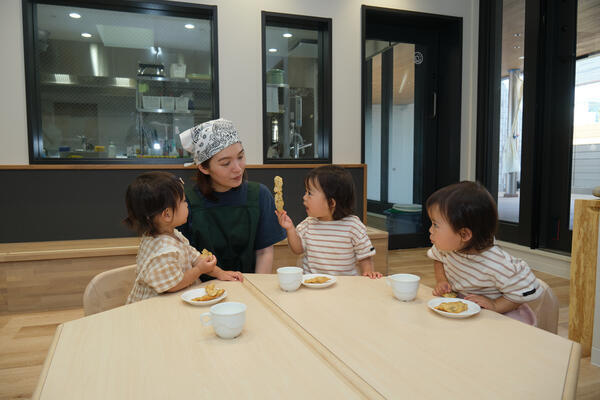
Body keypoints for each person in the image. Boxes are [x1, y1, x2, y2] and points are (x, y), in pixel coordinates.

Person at [178, 118, 286, 274]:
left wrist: (256, 291)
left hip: (250, 285)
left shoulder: (260, 195)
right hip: (202, 291)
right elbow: (185, 261)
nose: (237, 169)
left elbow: (264, 252)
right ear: (203, 167)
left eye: (240, 157)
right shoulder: (185, 203)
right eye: (225, 163)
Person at [426, 181, 542, 323]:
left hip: (501, 312)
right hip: (466, 303)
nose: (430, 230)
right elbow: (438, 259)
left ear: (464, 234)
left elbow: (525, 290)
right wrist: (441, 280)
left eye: (435, 225)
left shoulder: (497, 263)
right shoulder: (445, 249)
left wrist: (495, 305)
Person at [124, 171, 243, 304]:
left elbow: (196, 258)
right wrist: (199, 270)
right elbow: (174, 285)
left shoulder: (173, 234)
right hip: (153, 308)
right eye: (183, 201)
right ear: (167, 215)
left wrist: (221, 273)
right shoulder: (163, 251)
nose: (187, 205)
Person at [276, 165, 382, 278]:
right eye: (306, 192)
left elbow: (365, 255)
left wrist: (369, 272)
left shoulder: (353, 226)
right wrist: (290, 228)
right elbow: (297, 249)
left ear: (331, 202)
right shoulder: (308, 224)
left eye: (309, 193)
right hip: (313, 282)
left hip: (344, 286)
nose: (304, 197)